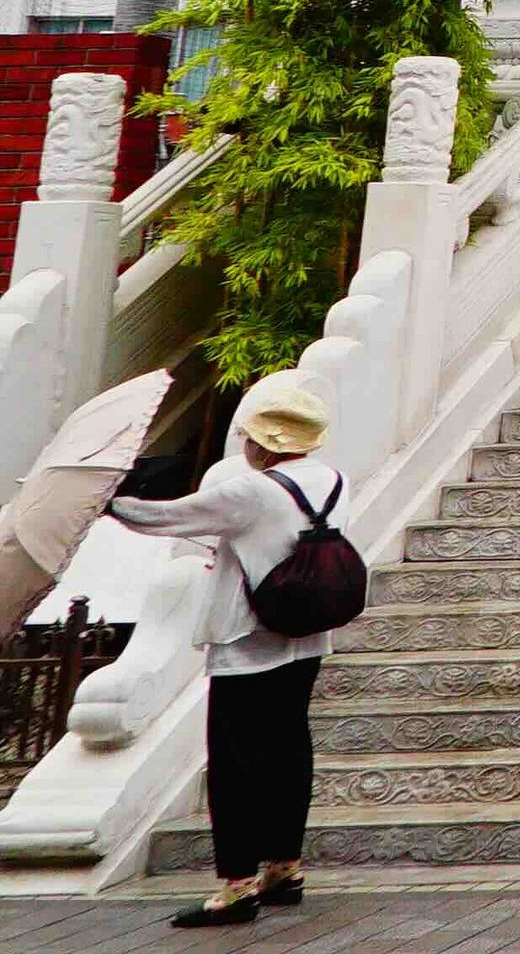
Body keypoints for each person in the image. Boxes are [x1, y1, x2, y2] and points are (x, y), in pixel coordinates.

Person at [107, 372, 347, 929]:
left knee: (235, 761)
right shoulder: (333, 479)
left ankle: (237, 885)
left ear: (262, 442)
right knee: (289, 749)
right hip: (305, 632)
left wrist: (110, 503)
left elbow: (166, 517)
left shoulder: (250, 490)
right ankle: (284, 867)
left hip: (248, 637)